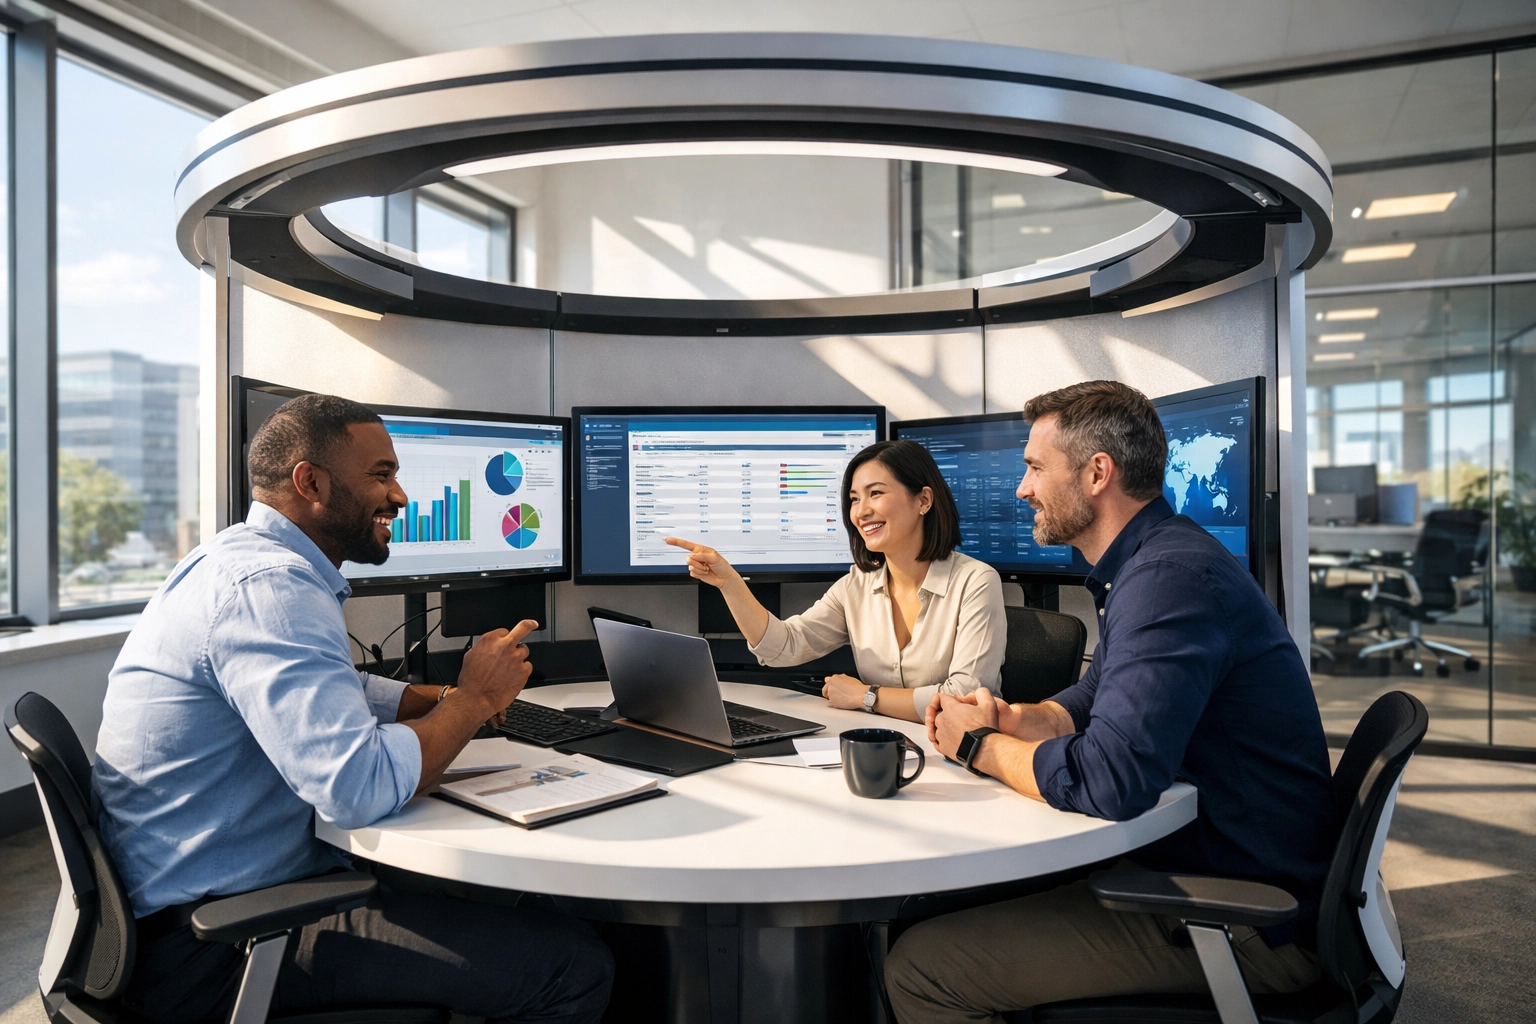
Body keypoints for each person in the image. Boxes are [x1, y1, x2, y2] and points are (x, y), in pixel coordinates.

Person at [94, 394, 612, 1024]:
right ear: (310, 482)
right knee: (570, 966)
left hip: (193, 907)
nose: (399, 496)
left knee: (521, 906)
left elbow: (334, 690)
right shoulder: (271, 589)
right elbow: (357, 788)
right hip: (218, 944)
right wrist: (475, 699)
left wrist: (444, 700)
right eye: (381, 475)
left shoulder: (240, 560)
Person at [886, 381, 1338, 1022]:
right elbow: (1099, 693)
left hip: (1246, 914)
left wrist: (980, 746)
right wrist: (1016, 718)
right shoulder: (1157, 561)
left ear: (1098, 473)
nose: (1021, 489)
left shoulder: (1166, 580)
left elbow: (1112, 780)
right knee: (928, 908)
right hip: (1214, 862)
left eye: (1034, 468)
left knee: (922, 968)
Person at [666, 439, 1005, 722]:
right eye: (854, 499)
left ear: (924, 500)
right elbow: (783, 647)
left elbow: (965, 698)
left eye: (875, 493)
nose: (861, 511)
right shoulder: (857, 585)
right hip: (882, 746)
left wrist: (867, 696)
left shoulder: (975, 582)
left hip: (956, 755)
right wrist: (729, 583)